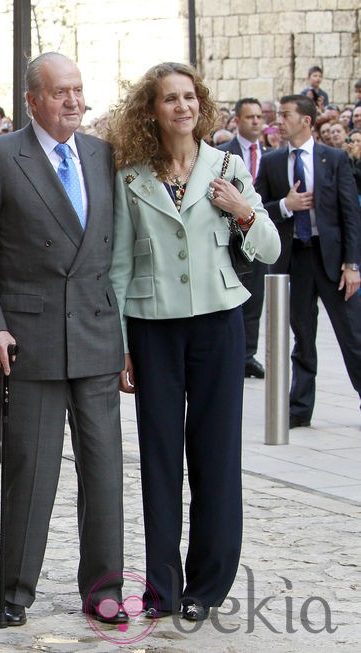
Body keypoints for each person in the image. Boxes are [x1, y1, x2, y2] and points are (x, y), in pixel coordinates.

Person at [0, 52, 127, 629]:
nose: (73, 101)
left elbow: (116, 252)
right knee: (30, 473)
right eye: (60, 92)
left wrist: (126, 339)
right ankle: (15, 591)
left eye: (78, 90)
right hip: (27, 339)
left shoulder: (103, 155)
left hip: (97, 334)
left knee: (104, 469)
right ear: (32, 100)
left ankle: (105, 590)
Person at [109, 62, 280, 621]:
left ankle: (206, 587)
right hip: (152, 328)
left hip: (219, 326)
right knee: (159, 459)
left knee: (216, 455)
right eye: (169, 98)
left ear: (199, 105)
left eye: (189, 97)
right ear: (151, 110)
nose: (181, 107)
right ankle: (160, 589)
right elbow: (116, 267)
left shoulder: (227, 167)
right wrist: (122, 345)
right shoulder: (130, 175)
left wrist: (242, 209)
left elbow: (271, 249)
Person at [255, 95, 361, 429]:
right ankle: (299, 408)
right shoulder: (272, 162)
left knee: (354, 335)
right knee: (302, 336)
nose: (278, 122)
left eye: (286, 115)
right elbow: (256, 208)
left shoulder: (334, 158)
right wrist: (285, 205)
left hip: (331, 259)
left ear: (306, 121)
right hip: (294, 258)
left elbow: (351, 215)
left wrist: (353, 264)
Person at [219, 98, 269, 378]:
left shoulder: (273, 155)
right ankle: (235, 353)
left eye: (259, 117)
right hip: (231, 239)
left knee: (256, 300)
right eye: (250, 117)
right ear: (237, 120)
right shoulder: (222, 155)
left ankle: (248, 353)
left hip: (257, 235)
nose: (256, 121)